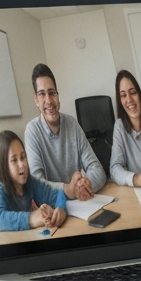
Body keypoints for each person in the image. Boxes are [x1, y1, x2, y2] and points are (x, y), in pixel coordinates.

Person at [24, 63, 106, 201]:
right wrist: (68, 190)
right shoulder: (32, 131)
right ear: (36, 100)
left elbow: (97, 169)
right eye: (42, 94)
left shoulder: (72, 124)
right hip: (54, 210)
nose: (49, 100)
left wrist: (86, 184)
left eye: (52, 93)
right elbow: (37, 186)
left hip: (80, 205)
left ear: (58, 95)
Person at [0, 129, 66, 232]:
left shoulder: (30, 182)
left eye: (23, 157)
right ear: (4, 166)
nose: (22, 164)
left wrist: (61, 209)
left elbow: (58, 194)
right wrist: (32, 218)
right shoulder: (1, 189)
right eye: (14, 160)